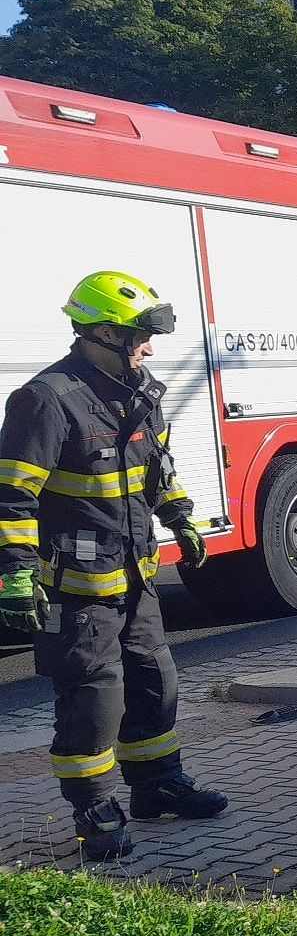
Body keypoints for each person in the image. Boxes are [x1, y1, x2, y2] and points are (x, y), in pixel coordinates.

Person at [0, 271, 228, 863]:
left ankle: (156, 786)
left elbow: (159, 467)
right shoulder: (46, 399)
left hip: (134, 578)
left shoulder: (140, 391)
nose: (148, 347)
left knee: (155, 684)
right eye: (138, 336)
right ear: (101, 331)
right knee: (93, 700)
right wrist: (16, 571)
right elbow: (13, 496)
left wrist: (179, 515)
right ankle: (95, 808)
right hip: (77, 588)